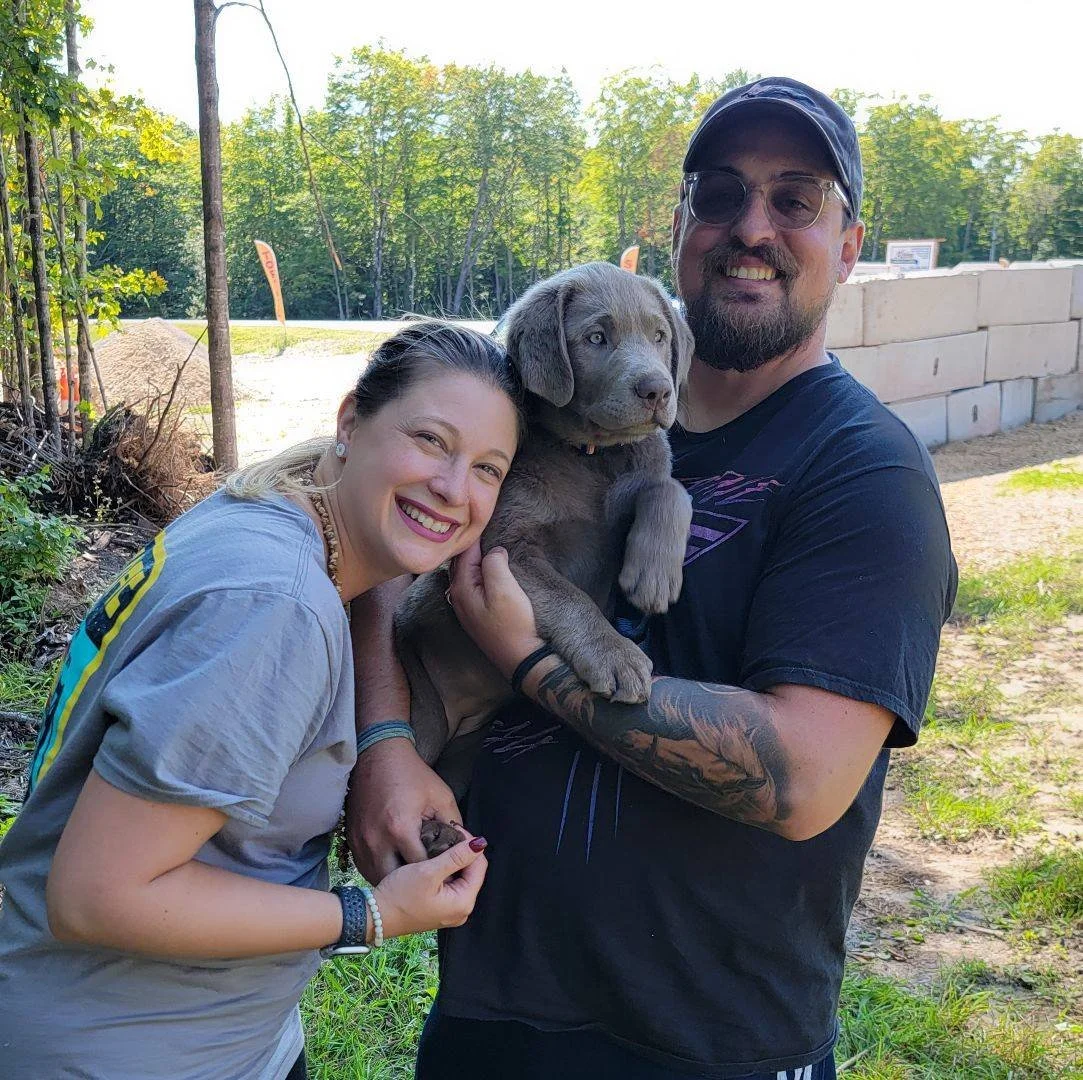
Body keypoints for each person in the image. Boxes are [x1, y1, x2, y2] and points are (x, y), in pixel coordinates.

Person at [348, 79, 958, 1079]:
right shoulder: (528, 419)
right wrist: (380, 742)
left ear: (849, 246)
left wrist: (536, 658)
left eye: (795, 200)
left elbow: (799, 779)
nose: (750, 227)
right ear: (681, 228)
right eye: (719, 195)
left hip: (699, 1042)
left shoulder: (866, 472)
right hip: (493, 1007)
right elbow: (381, 552)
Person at [0, 323, 525, 1080]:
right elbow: (97, 895)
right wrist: (373, 915)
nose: (454, 487)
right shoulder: (273, 604)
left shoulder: (269, 516)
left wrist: (384, 740)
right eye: (430, 439)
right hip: (128, 1049)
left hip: (216, 1031)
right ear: (350, 421)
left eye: (488, 468)